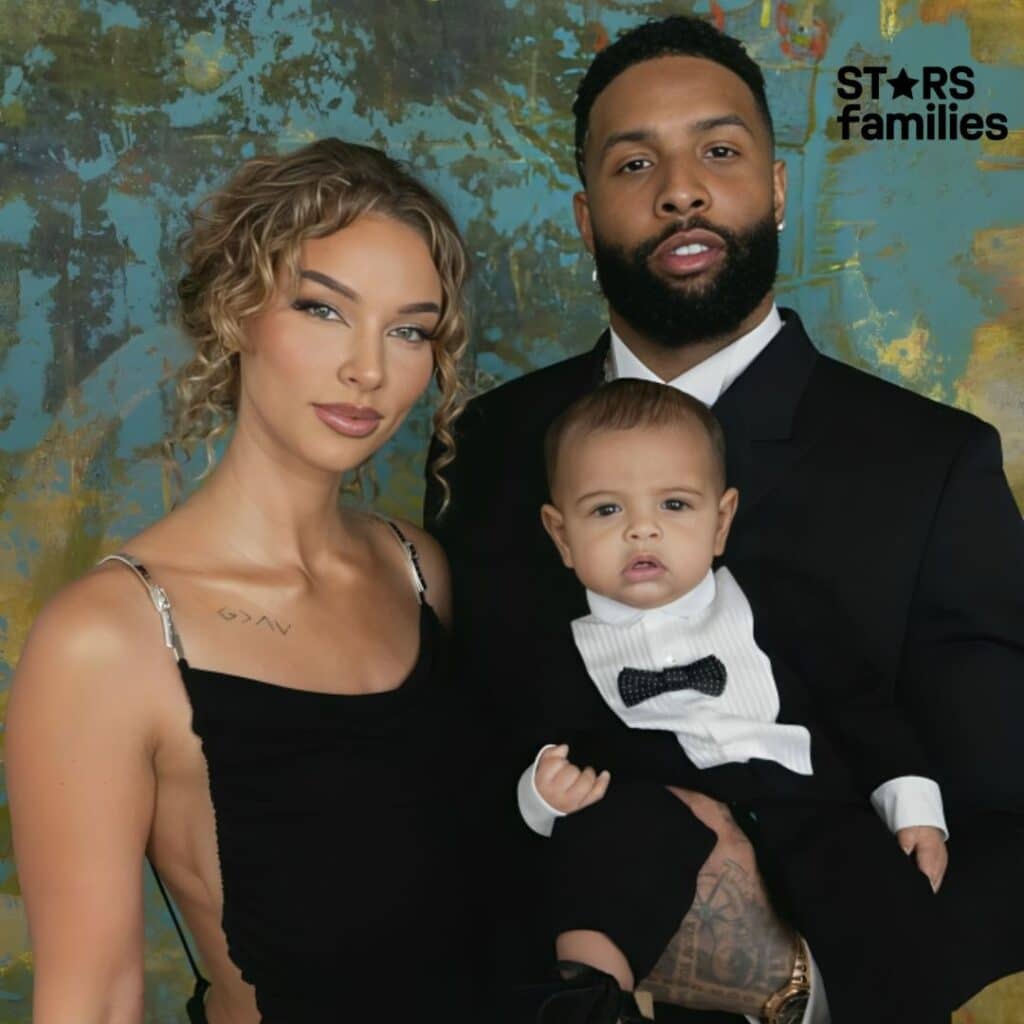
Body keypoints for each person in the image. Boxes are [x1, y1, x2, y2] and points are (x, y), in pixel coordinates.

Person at [424, 14, 1024, 1024]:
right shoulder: (481, 444)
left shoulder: (929, 463)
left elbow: (1009, 817)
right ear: (582, 215)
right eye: (632, 163)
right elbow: (441, 766)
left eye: (718, 150)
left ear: (777, 188)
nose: (680, 189)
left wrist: (797, 981)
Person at [8, 138, 483, 1023]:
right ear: (236, 313)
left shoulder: (423, 573)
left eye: (409, 329)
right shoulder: (109, 638)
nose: (369, 370)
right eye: (323, 309)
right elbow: (94, 1001)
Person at [517, 378, 952, 1023]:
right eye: (606, 511)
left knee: (881, 899)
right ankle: (588, 1002)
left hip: (806, 804)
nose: (642, 531)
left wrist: (912, 800)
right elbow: (532, 748)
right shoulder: (552, 651)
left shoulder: (784, 604)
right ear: (561, 534)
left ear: (721, 522)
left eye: (674, 505)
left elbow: (858, 705)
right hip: (668, 836)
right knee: (601, 853)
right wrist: (542, 793)